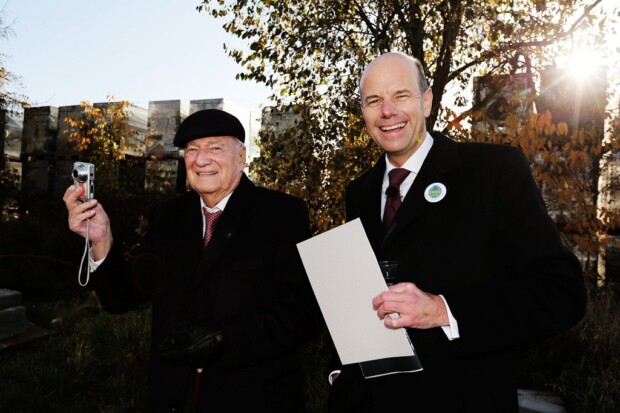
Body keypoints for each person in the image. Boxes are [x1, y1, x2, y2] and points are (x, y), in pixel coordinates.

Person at [327, 52, 587, 412]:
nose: (388, 111)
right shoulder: (358, 192)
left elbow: (562, 293)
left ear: (427, 100)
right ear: (363, 111)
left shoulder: (494, 171)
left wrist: (442, 310)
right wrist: (340, 371)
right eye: (374, 100)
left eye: (401, 95)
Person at [64, 109, 322, 413]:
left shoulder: (280, 214)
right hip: (176, 397)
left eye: (214, 148)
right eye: (192, 150)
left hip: (252, 396)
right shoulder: (167, 217)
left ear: (241, 157)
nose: (201, 160)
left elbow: (303, 314)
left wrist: (225, 340)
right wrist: (101, 239)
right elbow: (121, 298)